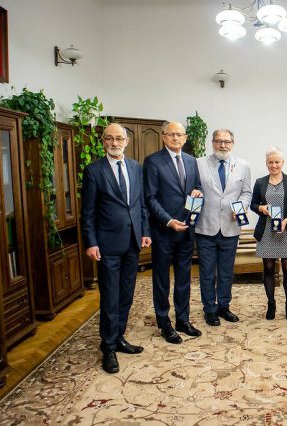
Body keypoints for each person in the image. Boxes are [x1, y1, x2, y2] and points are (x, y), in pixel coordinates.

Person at [81, 123, 151, 374]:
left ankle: (119, 337)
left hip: (132, 242)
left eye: (118, 138)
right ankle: (108, 347)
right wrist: (91, 242)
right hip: (107, 245)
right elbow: (87, 212)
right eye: (109, 138)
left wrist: (144, 232)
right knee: (110, 297)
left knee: (126, 295)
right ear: (103, 142)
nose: (114, 142)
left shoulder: (135, 167)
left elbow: (140, 205)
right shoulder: (94, 171)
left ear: (126, 141)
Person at [143, 121, 203, 345]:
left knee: (184, 278)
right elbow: (150, 197)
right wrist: (168, 221)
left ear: (185, 138)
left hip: (187, 230)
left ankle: (183, 320)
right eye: (171, 135)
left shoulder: (191, 161)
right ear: (163, 137)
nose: (176, 138)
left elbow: (197, 188)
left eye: (179, 135)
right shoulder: (153, 161)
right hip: (164, 231)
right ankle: (164, 323)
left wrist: (199, 192)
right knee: (161, 280)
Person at [195, 129, 252, 326]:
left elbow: (246, 193)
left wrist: (242, 206)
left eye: (227, 141)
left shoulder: (243, 166)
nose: (223, 145)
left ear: (233, 143)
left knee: (227, 271)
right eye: (218, 141)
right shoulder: (199, 163)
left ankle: (224, 306)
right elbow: (194, 190)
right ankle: (209, 309)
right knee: (207, 272)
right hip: (205, 227)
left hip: (230, 226)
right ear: (212, 143)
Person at [251, 147, 287, 321]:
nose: (274, 165)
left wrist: (286, 221)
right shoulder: (260, 182)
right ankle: (271, 303)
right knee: (269, 270)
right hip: (266, 232)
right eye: (270, 162)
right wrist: (261, 208)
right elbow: (253, 204)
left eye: (276, 162)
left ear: (282, 163)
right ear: (266, 163)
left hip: (286, 231)